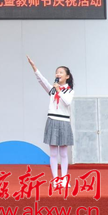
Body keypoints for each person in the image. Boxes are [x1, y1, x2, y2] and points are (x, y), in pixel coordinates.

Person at [27, 56, 74, 187]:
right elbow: (42, 80)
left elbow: (67, 102)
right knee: (53, 153)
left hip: (64, 122)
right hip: (52, 120)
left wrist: (59, 89)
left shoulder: (69, 91)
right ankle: (55, 179)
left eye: (61, 72)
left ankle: (64, 179)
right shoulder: (52, 89)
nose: (58, 74)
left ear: (67, 76)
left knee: (63, 153)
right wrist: (34, 67)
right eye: (57, 72)